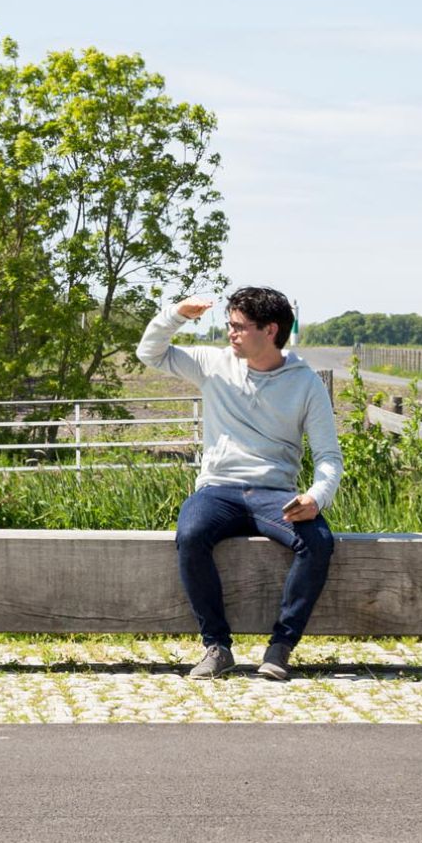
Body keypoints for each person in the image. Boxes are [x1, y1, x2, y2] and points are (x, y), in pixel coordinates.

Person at [137, 286, 341, 680]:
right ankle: (216, 647)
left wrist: (316, 498)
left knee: (318, 541)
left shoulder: (305, 384)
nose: (230, 333)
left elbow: (329, 457)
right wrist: (177, 313)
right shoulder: (213, 364)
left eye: (239, 326)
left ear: (270, 330)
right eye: (229, 324)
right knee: (191, 533)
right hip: (218, 490)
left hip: (276, 494)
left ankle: (281, 648)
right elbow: (150, 352)